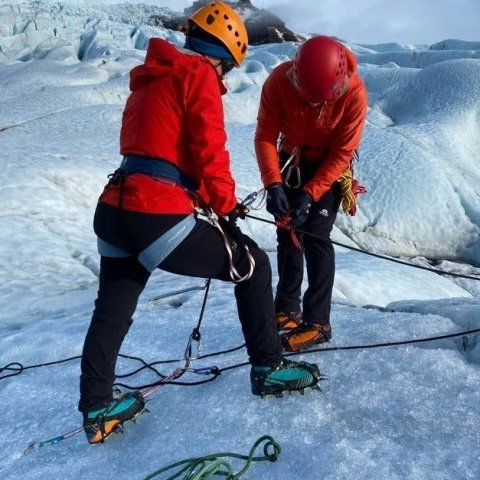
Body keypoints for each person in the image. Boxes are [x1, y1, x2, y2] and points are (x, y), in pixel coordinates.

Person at [79, 1, 320, 445]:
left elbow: (157, 152)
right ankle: (268, 368)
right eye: (227, 68)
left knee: (112, 309)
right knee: (253, 265)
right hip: (155, 212)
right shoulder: (199, 76)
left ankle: (96, 407)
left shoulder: (149, 80)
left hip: (115, 208)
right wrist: (226, 208)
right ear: (223, 57)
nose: (225, 77)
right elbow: (210, 151)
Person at [255, 35, 368, 353]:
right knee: (286, 231)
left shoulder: (354, 93)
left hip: (328, 167)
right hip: (290, 161)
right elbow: (265, 134)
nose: (315, 106)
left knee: (316, 237)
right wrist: (273, 184)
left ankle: (319, 322)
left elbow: (342, 152)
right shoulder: (280, 80)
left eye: (321, 100)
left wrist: (311, 194)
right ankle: (287, 307)